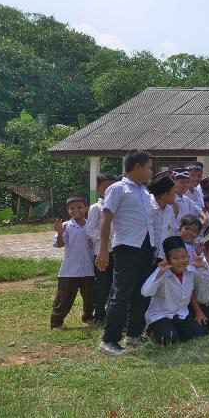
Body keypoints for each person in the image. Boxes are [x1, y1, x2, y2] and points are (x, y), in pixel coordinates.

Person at [96, 150, 157, 356]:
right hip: (126, 247)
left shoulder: (145, 192)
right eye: (149, 167)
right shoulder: (117, 188)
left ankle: (133, 334)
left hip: (145, 247)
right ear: (137, 167)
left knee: (141, 292)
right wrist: (103, 250)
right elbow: (106, 220)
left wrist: (152, 247)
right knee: (121, 293)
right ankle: (109, 340)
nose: (151, 171)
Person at [140, 236, 207, 344]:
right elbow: (145, 292)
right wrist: (159, 272)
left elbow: (207, 286)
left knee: (199, 333)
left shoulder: (191, 271)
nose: (181, 261)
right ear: (167, 259)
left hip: (181, 314)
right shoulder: (162, 272)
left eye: (184, 256)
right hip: (160, 315)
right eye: (175, 258)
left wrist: (203, 269)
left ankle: (173, 330)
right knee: (169, 338)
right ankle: (151, 330)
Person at [50, 196, 95, 330]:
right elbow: (59, 244)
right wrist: (59, 233)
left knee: (90, 297)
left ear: (86, 209)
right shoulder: (66, 226)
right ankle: (56, 323)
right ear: (68, 210)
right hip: (70, 270)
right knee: (64, 298)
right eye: (72, 208)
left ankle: (88, 317)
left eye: (80, 207)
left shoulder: (91, 225)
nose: (76, 211)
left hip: (89, 269)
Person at [85, 173, 118, 325]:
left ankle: (112, 312)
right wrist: (107, 236)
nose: (109, 190)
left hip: (118, 251)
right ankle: (99, 314)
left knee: (115, 283)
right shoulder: (96, 208)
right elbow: (89, 230)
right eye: (105, 187)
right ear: (98, 189)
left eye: (112, 187)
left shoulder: (119, 206)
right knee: (102, 283)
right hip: (102, 252)